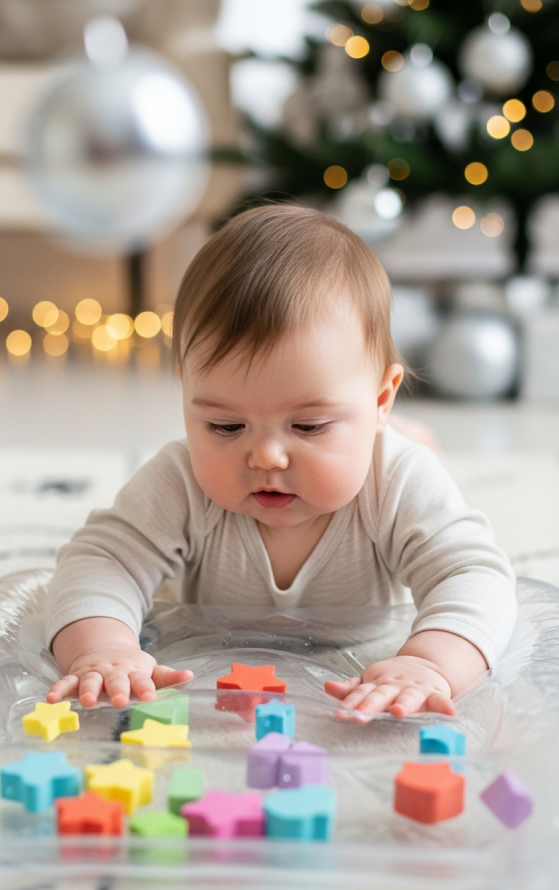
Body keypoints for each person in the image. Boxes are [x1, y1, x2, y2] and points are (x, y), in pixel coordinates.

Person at [45, 205, 516, 721]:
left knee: (420, 465)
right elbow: (101, 560)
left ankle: (409, 433)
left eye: (308, 426)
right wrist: (102, 646)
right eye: (225, 426)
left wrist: (430, 663)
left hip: (356, 647)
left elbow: (474, 573)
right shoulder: (181, 479)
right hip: (221, 658)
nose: (266, 456)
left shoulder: (398, 480)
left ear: (382, 400)